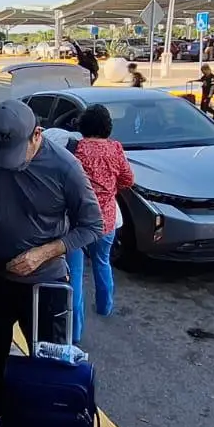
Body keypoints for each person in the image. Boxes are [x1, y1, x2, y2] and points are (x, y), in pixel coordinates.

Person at [0, 100, 104, 427]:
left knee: (49, 359)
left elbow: (93, 225)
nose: (7, 163)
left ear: (37, 134)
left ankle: (45, 424)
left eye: (15, 154)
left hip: (44, 283)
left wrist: (43, 253)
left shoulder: (66, 168)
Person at [63, 105, 132, 342]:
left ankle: (75, 332)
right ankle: (104, 306)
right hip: (106, 219)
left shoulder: (76, 149)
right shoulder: (115, 149)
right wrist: (108, 191)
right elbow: (128, 179)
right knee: (103, 262)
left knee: (75, 275)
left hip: (77, 221)